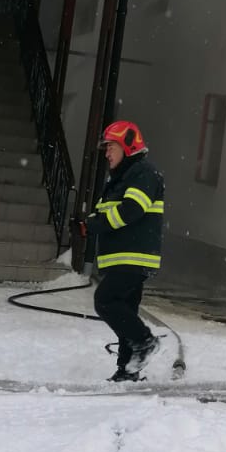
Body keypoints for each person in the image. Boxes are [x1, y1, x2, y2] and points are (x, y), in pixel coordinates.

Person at [89, 119, 165, 380]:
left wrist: (96, 224)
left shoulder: (143, 173)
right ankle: (127, 370)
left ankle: (145, 342)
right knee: (126, 311)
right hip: (124, 257)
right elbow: (109, 212)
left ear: (128, 146)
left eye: (111, 147)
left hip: (133, 257)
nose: (107, 153)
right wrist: (89, 224)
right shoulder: (123, 178)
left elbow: (131, 210)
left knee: (105, 300)